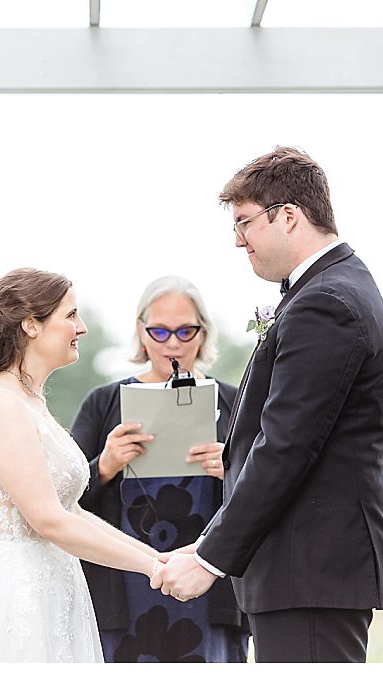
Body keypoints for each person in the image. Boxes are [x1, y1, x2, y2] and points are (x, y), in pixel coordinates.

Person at [155, 147, 383, 662]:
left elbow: (286, 445)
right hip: (306, 569)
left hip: (310, 567)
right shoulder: (330, 289)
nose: (238, 240)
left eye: (244, 222)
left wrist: (209, 557)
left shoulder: (326, 303)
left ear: (289, 216)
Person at [0, 268, 168, 663]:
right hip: (17, 593)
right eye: (70, 315)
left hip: (54, 585)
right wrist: (150, 567)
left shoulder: (30, 401)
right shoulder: (3, 403)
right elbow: (48, 520)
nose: (81, 327)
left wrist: (156, 558)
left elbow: (71, 512)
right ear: (32, 325)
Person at [69, 276, 247, 662]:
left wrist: (231, 471)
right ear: (141, 330)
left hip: (210, 586)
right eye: (160, 331)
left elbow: (267, 495)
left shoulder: (236, 403)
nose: (173, 343)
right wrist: (106, 464)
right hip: (124, 586)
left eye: (185, 331)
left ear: (203, 333)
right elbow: (61, 501)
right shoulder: (103, 403)